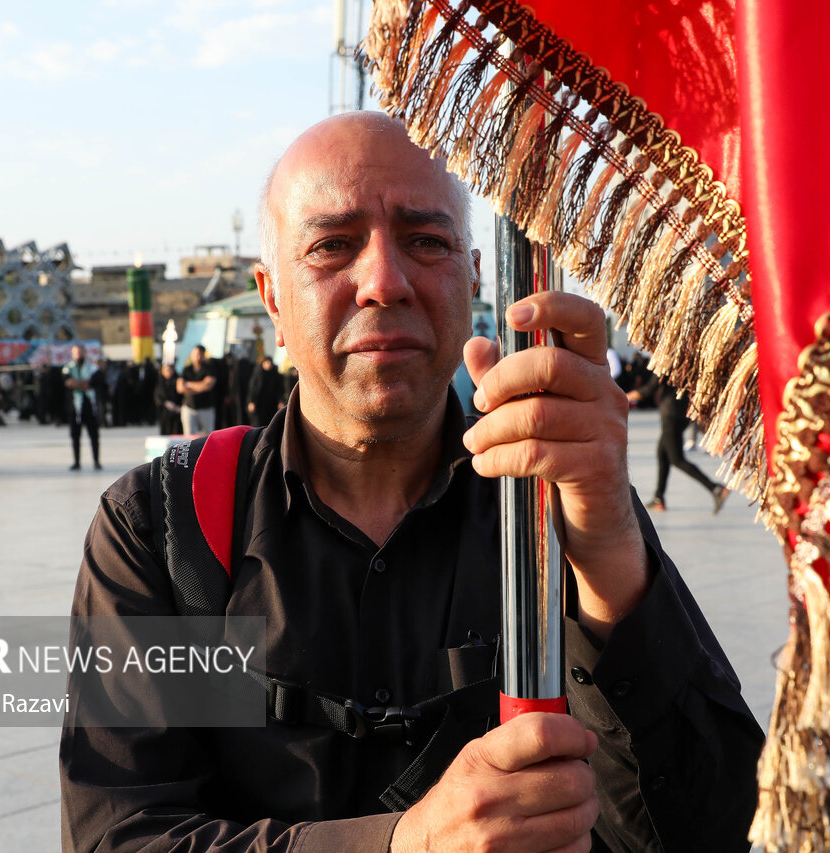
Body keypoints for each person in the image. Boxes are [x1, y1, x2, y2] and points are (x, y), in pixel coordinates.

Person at [60, 112, 762, 852]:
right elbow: (122, 833)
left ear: (473, 277)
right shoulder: (165, 527)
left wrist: (610, 543)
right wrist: (406, 842)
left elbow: (716, 825)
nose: (385, 282)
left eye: (426, 241)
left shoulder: (549, 502)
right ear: (271, 298)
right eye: (332, 245)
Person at [628, 375, 728, 513]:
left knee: (677, 460)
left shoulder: (667, 362)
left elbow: (650, 388)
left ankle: (715, 488)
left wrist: (629, 395)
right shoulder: (683, 362)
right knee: (662, 453)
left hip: (671, 414)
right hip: (681, 413)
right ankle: (659, 497)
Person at [63, 345, 102, 471]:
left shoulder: (93, 368)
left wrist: (76, 383)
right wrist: (84, 384)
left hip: (89, 406)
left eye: (80, 352)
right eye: (76, 352)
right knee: (75, 436)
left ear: (85, 352)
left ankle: (96, 461)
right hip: (75, 407)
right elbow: (68, 382)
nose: (78, 354)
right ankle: (76, 462)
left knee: (94, 435)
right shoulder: (68, 368)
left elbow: (94, 383)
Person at [177, 344, 218, 434]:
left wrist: (188, 384)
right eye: (196, 354)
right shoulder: (186, 370)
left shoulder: (209, 369)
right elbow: (180, 388)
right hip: (189, 407)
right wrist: (199, 386)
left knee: (208, 436)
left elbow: (207, 386)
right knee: (188, 437)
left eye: (200, 354)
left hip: (206, 408)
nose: (197, 356)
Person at [245, 354, 284, 426]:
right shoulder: (258, 373)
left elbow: (279, 389)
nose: (268, 365)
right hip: (259, 405)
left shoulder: (275, 375)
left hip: (271, 405)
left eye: (270, 363)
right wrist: (251, 401)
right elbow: (252, 389)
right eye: (267, 363)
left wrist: (280, 401)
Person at [153, 362, 182, 435]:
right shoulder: (160, 382)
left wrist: (179, 407)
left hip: (177, 412)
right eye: (166, 370)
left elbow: (182, 395)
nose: (168, 372)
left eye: (170, 370)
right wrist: (165, 403)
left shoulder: (178, 380)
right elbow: (157, 397)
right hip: (164, 412)